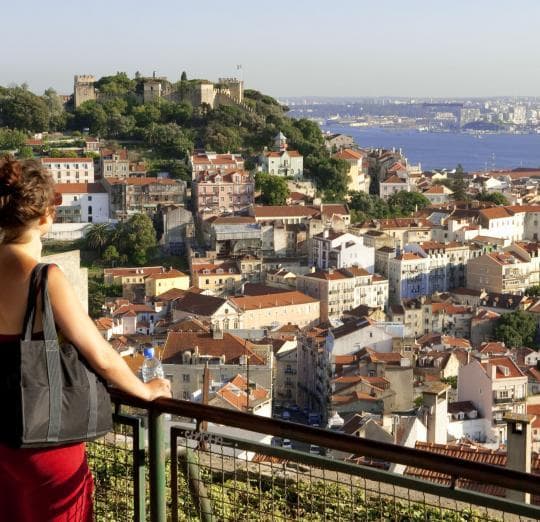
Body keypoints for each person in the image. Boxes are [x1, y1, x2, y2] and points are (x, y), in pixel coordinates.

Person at [0, 156, 172, 521]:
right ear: (46, 216)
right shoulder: (44, 278)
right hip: (44, 439)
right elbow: (102, 355)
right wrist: (147, 391)